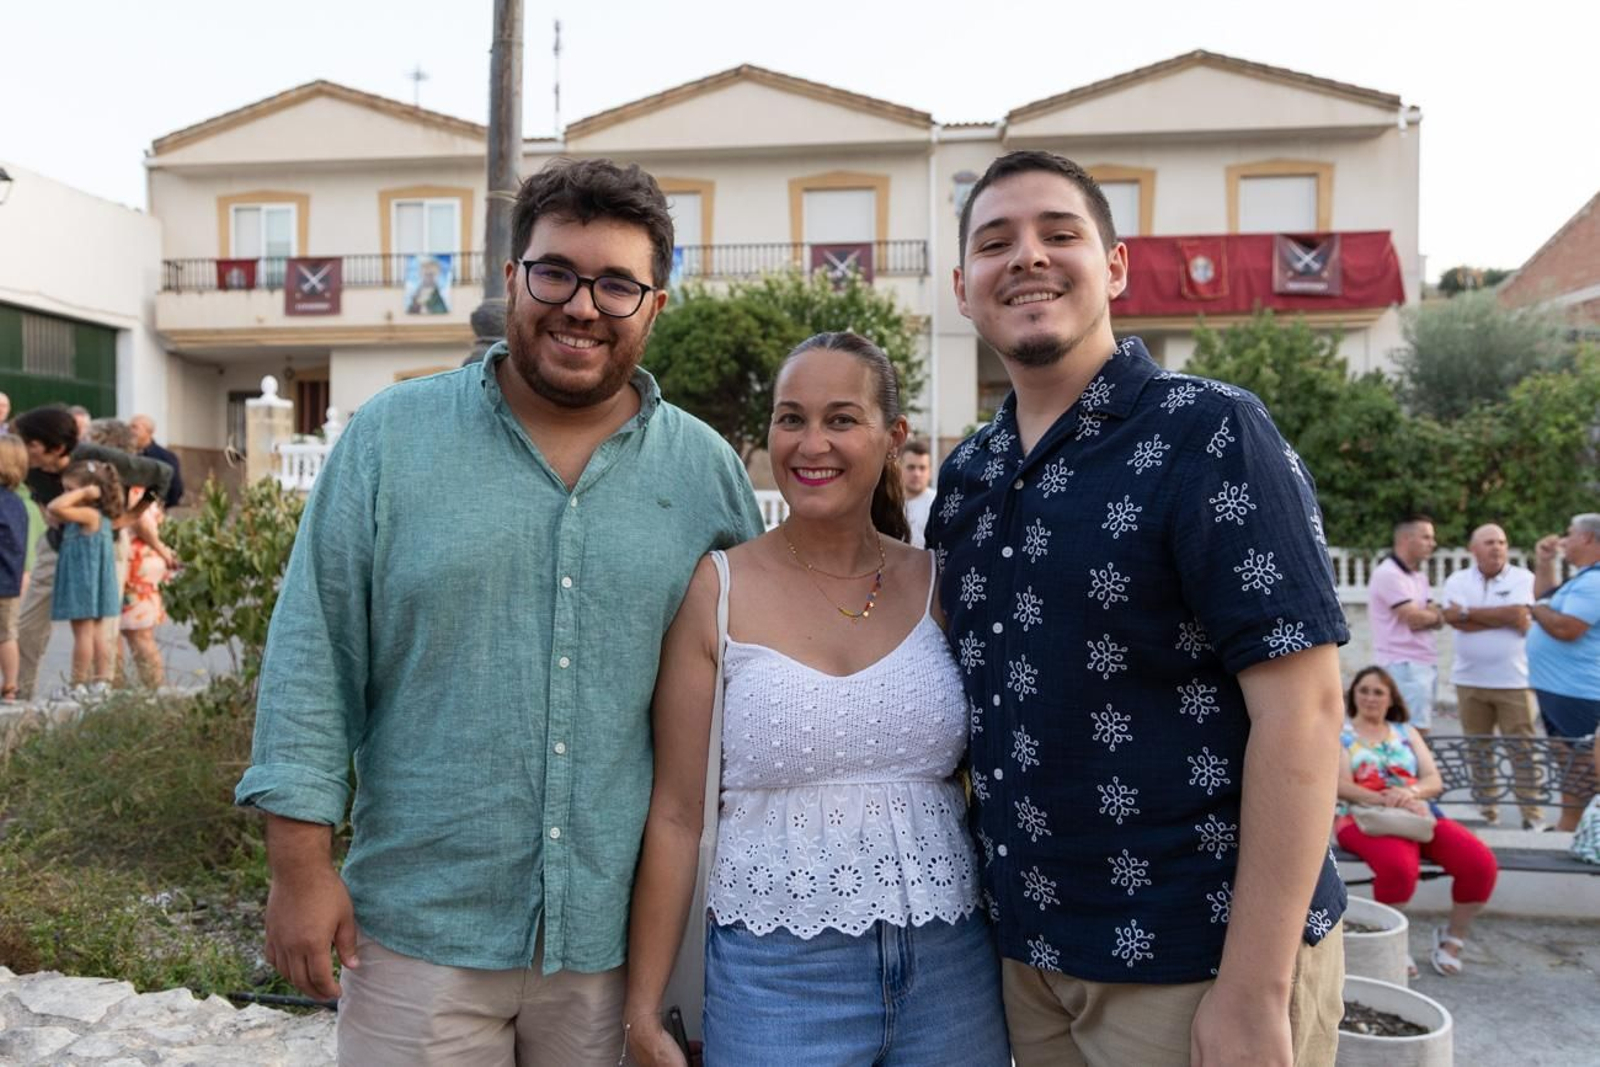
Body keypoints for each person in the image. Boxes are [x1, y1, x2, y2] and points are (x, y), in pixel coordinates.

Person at [234, 157, 765, 1066]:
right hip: (418, 931)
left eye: (617, 284)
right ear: (514, 277)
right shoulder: (391, 439)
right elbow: (315, 652)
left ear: (656, 305)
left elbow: (755, 686)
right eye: (555, 272)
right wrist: (299, 866)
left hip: (618, 949)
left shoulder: (706, 472)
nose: (582, 305)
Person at [925, 150, 1348, 1066]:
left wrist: (1254, 989)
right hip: (1027, 959)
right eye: (996, 242)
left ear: (1114, 266)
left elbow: (1305, 711)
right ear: (964, 288)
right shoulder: (965, 478)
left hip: (1197, 959)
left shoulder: (1210, 431)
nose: (1028, 256)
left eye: (1059, 233)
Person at [625, 332, 1009, 1067]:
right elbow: (674, 813)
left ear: (893, 437)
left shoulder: (940, 583)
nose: (811, 443)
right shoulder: (719, 588)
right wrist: (643, 1009)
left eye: (840, 419)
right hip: (776, 975)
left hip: (952, 964)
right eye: (790, 418)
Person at [1335, 666, 1498, 977]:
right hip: (1363, 816)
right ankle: (1395, 943)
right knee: (1399, 868)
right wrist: (1385, 798)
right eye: (1364, 691)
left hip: (1417, 813)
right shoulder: (1342, 733)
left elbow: (1432, 780)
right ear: (1353, 695)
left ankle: (1453, 939)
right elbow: (1340, 786)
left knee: (1479, 864)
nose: (1370, 698)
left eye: (1378, 692)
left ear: (1391, 698)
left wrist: (1410, 792)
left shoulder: (1405, 731)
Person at [11, 407, 171, 700]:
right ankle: (19, 694)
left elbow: (162, 475)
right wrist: (44, 509)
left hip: (101, 544)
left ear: (56, 448)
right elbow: (37, 490)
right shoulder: (28, 465)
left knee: (99, 624)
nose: (24, 450)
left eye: (31, 445)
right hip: (57, 543)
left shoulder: (98, 458)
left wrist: (132, 515)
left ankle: (96, 693)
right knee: (29, 624)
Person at [1439, 523, 1545, 829]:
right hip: (1469, 680)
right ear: (1474, 549)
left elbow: (1519, 617)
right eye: (1488, 542)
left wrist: (1468, 613)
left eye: (1501, 541)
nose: (1497, 547)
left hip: (1514, 681)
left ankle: (1533, 816)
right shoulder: (1457, 579)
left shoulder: (1523, 578)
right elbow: (1451, 618)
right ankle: (1487, 813)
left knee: (1523, 750)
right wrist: (1501, 615)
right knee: (1478, 749)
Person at [1528, 513, 1600, 831]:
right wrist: (1545, 562)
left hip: (1578, 692)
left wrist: (1536, 612)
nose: (1563, 540)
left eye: (1570, 534)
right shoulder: (1584, 578)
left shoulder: (1596, 582)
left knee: (1582, 765)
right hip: (1561, 690)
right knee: (1569, 762)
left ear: (1586, 538)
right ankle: (1569, 826)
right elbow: (1546, 598)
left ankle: (1574, 827)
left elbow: (1567, 628)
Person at [44, 459, 124, 700]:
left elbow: (54, 507)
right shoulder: (90, 515)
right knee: (96, 633)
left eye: (71, 490)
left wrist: (83, 492)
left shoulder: (89, 513)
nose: (66, 495)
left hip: (84, 581)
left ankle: (78, 684)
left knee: (83, 634)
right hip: (92, 580)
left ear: (90, 491)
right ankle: (101, 683)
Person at [1368, 517, 1445, 735]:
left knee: (1419, 731)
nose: (1432, 543)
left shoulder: (1418, 576)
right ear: (1405, 539)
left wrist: (1432, 616)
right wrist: (1434, 616)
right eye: (1426, 537)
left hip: (1421, 664)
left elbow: (1432, 614)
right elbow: (1414, 619)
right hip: (1403, 665)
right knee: (1409, 733)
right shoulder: (1388, 574)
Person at [119, 484, 175, 688]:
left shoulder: (132, 492)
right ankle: (151, 688)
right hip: (141, 564)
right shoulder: (140, 489)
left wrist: (161, 549)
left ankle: (155, 688)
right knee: (131, 632)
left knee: (138, 634)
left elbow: (141, 523)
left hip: (135, 567)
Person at [0, 437, 29, 703]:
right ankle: (10, 687)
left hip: (4, 578)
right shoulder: (16, 501)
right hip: (9, 579)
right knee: (6, 634)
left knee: (6, 635)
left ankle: (9, 687)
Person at [129, 414, 185, 510]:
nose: (130, 431)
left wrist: (160, 506)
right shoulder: (125, 454)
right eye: (129, 427)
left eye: (135, 427)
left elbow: (175, 487)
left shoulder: (166, 457)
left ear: (149, 431)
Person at [900, 436, 936, 547]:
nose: (917, 474)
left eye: (922, 468)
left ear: (930, 471)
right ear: (899, 468)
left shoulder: (938, 505)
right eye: (911, 467)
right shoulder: (887, 504)